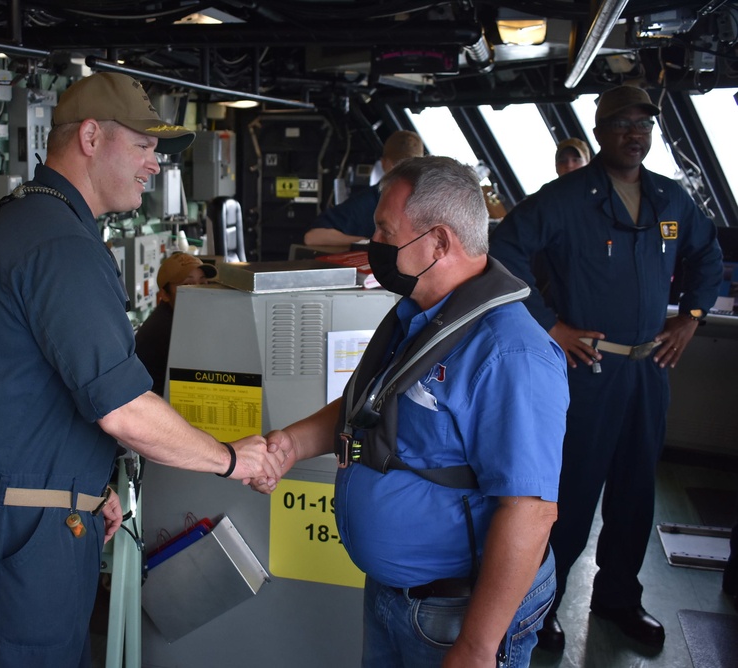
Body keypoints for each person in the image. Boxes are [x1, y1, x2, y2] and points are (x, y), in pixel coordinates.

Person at [0, 72, 282, 667]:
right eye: (143, 145)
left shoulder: (24, 219)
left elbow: (35, 392)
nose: (154, 164)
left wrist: (90, 487)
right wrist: (230, 459)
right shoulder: (59, 244)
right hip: (18, 530)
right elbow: (123, 410)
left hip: (22, 512)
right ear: (90, 137)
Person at [257, 156, 569, 668]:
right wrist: (289, 445)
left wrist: (475, 648)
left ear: (439, 242)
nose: (373, 242)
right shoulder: (421, 318)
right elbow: (370, 408)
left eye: (385, 230)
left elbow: (530, 511)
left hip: (456, 614)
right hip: (395, 597)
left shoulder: (511, 354)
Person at [490, 84, 724, 654]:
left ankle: (618, 597)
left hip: (648, 372)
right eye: (622, 123)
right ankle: (542, 604)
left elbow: (707, 255)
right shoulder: (566, 199)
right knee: (569, 496)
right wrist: (550, 325)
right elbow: (503, 251)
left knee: (636, 493)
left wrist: (690, 318)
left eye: (644, 124)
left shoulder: (670, 198)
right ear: (600, 131)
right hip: (587, 372)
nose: (634, 134)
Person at [303, 130, 424, 246]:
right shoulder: (368, 202)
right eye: (398, 165)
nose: (403, 173)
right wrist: (366, 243)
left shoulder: (429, 201)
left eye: (409, 166)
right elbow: (313, 237)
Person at [135, 252, 217, 396]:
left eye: (202, 282)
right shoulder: (164, 330)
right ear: (164, 294)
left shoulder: (184, 319)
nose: (199, 290)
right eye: (188, 285)